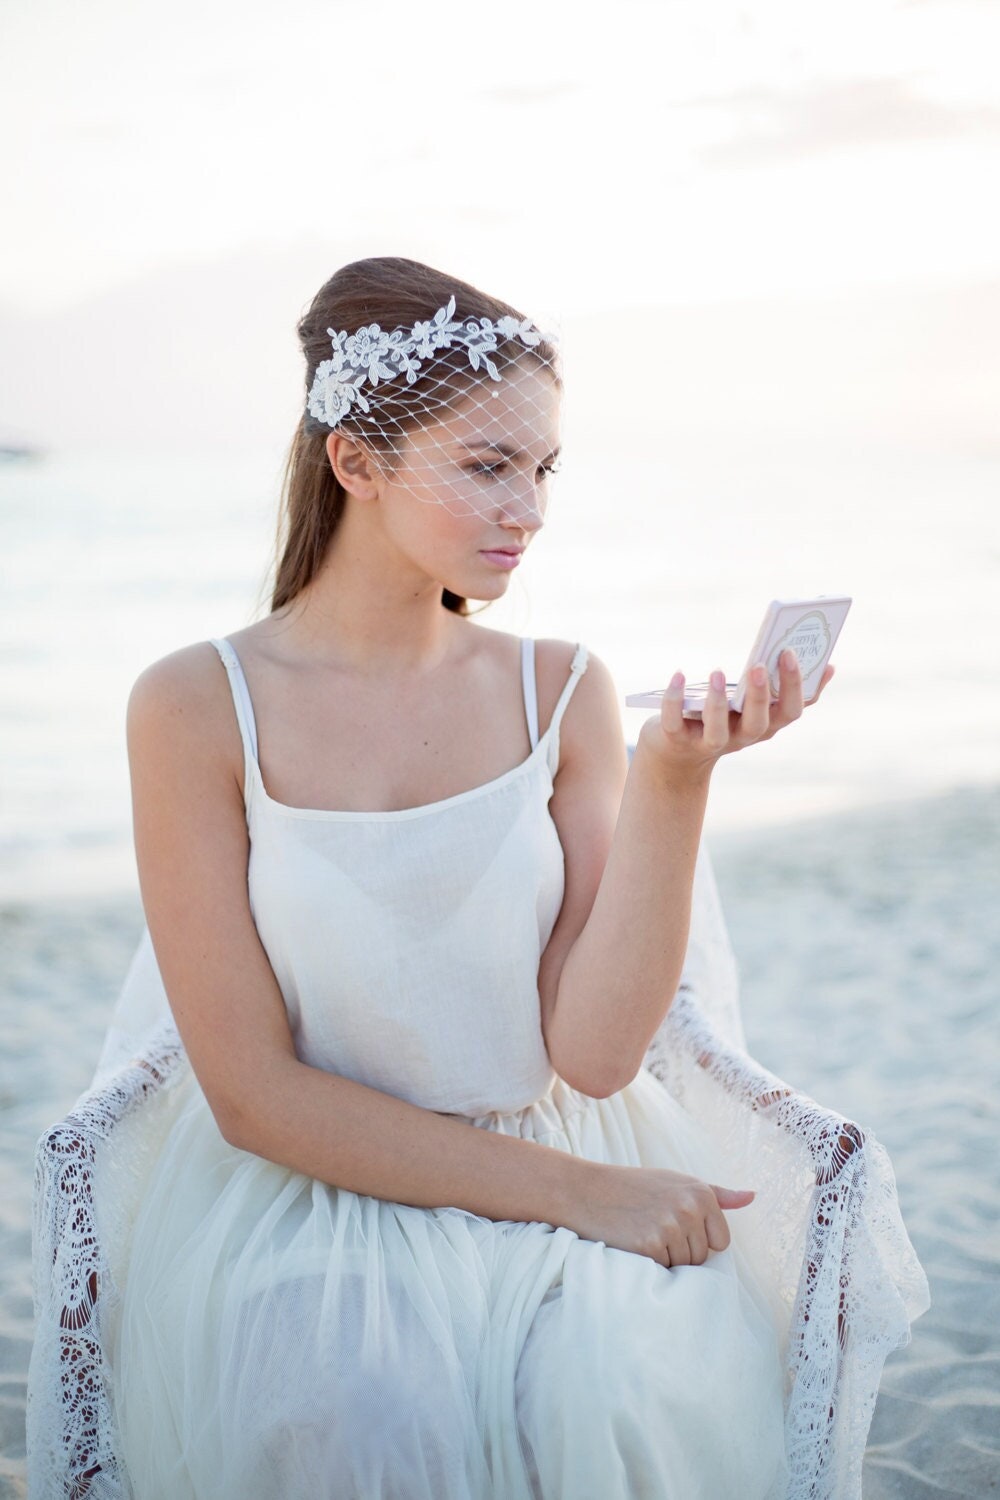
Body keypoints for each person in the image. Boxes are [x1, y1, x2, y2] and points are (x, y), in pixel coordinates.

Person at [109, 255, 832, 1499]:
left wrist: (674, 781)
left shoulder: (561, 689)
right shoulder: (194, 705)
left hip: (563, 1133)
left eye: (543, 469)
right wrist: (582, 1199)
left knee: (603, 1385)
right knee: (367, 1404)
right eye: (489, 466)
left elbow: (595, 1054)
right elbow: (253, 1097)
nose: (530, 508)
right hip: (315, 1187)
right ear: (355, 463)